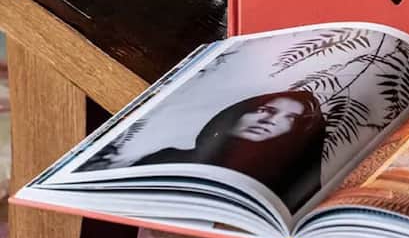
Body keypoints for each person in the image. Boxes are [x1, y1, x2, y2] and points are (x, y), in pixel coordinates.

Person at [130, 90, 326, 212]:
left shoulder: (285, 184)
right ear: (237, 113)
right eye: (264, 110)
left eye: (290, 118)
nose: (270, 121)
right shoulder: (168, 159)